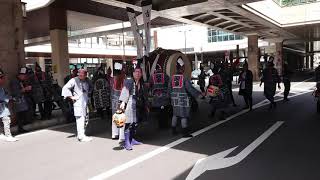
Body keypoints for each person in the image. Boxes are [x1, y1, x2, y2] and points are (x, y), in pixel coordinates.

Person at [169, 58, 201, 138]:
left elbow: (169, 89)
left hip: (174, 99)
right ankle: (185, 132)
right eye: (183, 68)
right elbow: (190, 89)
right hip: (183, 99)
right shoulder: (184, 78)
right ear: (181, 68)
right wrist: (198, 94)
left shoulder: (171, 78)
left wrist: (170, 97)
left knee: (175, 114)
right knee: (184, 115)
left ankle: (173, 130)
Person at [118, 66, 147, 150]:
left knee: (134, 123)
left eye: (139, 72)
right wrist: (123, 102)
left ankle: (131, 139)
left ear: (141, 74)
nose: (137, 73)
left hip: (137, 105)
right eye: (136, 72)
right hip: (129, 104)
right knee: (128, 123)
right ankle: (127, 142)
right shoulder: (129, 81)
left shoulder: (141, 83)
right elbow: (125, 91)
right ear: (133, 73)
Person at [62, 69, 92, 142]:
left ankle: (81, 134)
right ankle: (81, 137)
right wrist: (71, 97)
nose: (81, 76)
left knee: (85, 119)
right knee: (80, 119)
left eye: (83, 75)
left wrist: (89, 94)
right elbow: (65, 88)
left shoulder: (87, 80)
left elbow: (91, 88)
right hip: (78, 102)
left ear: (85, 75)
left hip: (85, 102)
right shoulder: (74, 80)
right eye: (80, 74)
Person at [149, 64, 170, 129]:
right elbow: (169, 85)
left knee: (159, 112)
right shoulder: (166, 76)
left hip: (156, 96)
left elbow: (150, 85)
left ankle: (160, 126)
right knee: (165, 112)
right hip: (164, 96)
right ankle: (165, 125)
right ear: (161, 69)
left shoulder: (152, 77)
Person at [10, 67, 30, 134]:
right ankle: (20, 128)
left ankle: (21, 127)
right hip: (18, 101)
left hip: (22, 100)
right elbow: (15, 92)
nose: (25, 77)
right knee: (20, 115)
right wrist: (25, 89)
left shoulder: (20, 81)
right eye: (24, 76)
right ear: (20, 75)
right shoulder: (14, 81)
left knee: (22, 114)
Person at [0, 69, 18, 142]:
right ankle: (8, 135)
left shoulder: (1, 87)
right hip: (2, 107)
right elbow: (3, 97)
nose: (3, 79)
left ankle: (1, 134)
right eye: (2, 78)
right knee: (6, 120)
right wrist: (11, 98)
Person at [111, 63, 126, 141]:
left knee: (114, 116)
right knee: (121, 117)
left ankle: (114, 134)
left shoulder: (112, 78)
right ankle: (121, 136)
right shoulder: (123, 77)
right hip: (120, 99)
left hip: (113, 99)